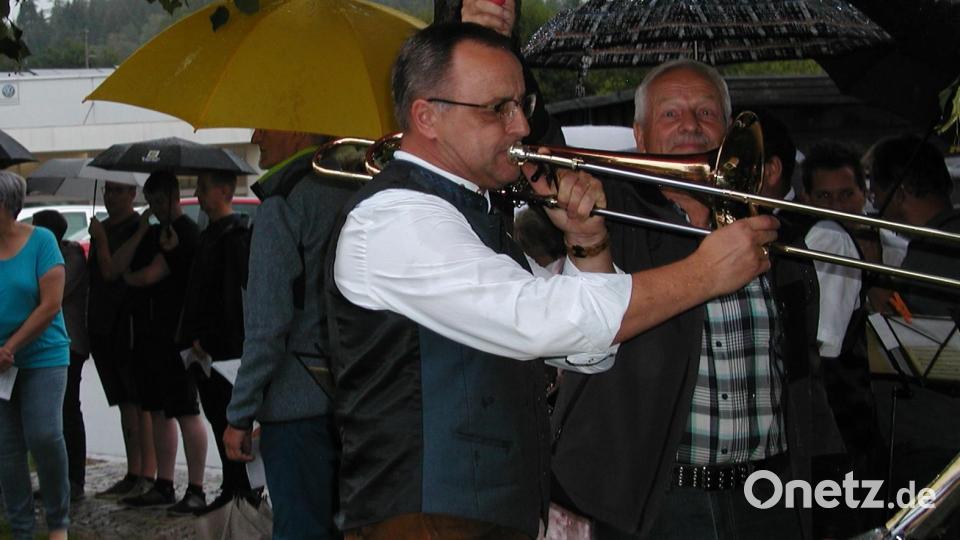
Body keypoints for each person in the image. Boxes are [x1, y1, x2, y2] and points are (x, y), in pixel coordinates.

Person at [326, 24, 778, 539]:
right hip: (427, 516)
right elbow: (541, 321)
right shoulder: (396, 215)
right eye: (498, 108)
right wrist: (705, 273)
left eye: (522, 103)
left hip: (486, 511)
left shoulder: (471, 210)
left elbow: (582, 353)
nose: (521, 125)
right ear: (427, 116)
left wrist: (587, 242)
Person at [549, 59, 842, 540]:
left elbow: (800, 373)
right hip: (652, 502)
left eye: (706, 113)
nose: (690, 124)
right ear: (640, 137)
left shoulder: (772, 234)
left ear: (730, 133)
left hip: (766, 494)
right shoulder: (611, 215)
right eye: (671, 114)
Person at [223, 129, 359, 539]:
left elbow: (268, 325)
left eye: (266, 121)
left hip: (298, 403)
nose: (256, 134)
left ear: (299, 128)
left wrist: (239, 413)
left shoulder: (284, 202)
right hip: (362, 395)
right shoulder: (361, 191)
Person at [105, 171, 209, 515]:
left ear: (175, 196)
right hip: (150, 333)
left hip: (178, 334)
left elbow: (151, 274)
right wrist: (142, 232)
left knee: (185, 410)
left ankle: (196, 486)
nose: (156, 207)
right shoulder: (153, 232)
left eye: (161, 200)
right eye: (150, 201)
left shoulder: (188, 233)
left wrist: (133, 278)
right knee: (160, 410)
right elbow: (122, 266)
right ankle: (164, 482)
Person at [0, 171, 70, 540]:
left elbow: (51, 305)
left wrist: (11, 347)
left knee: (44, 434)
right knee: (7, 450)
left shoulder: (41, 241)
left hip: (43, 355)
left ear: (6, 207)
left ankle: (58, 523)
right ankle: (22, 529)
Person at [179, 169, 254, 514]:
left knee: (230, 421)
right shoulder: (210, 234)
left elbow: (231, 298)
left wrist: (209, 338)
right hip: (203, 349)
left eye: (204, 187)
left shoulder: (236, 235)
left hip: (224, 350)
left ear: (225, 191)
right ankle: (230, 485)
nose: (198, 193)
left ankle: (242, 490)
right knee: (216, 417)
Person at [87, 181, 157, 499]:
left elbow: (111, 270)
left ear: (132, 194)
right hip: (102, 324)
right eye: (108, 190)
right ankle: (133, 470)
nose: (111, 196)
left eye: (118, 190)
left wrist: (101, 241)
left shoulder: (137, 228)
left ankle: (146, 472)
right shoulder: (100, 227)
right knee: (122, 402)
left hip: (128, 323)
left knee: (137, 401)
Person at [31, 209, 89, 503]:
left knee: (68, 409)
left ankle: (74, 478)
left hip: (69, 343)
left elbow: (50, 294)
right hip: (44, 345)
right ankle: (55, 476)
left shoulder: (71, 257)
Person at [867, 135, 960, 316]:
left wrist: (873, 269)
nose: (877, 206)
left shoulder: (935, 251)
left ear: (899, 194)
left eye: (875, 195)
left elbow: (911, 327)